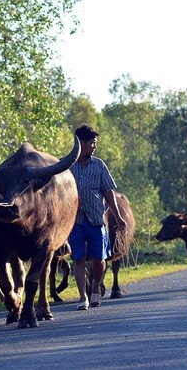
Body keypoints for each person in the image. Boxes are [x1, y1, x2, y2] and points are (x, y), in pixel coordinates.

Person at [69, 124, 127, 310]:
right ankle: (82, 297)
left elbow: (108, 192)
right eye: (92, 143)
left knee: (99, 259)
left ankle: (95, 288)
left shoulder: (99, 165)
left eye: (95, 143)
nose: (94, 146)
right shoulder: (66, 166)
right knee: (78, 258)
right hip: (74, 221)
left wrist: (118, 217)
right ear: (81, 143)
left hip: (95, 220)